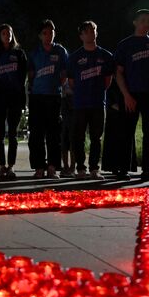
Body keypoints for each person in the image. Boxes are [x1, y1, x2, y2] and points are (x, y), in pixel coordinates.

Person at [115, 9, 149, 180]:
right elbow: (118, 73)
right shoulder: (125, 44)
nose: (147, 24)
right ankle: (123, 169)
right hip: (131, 95)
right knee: (126, 132)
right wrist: (126, 95)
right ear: (135, 22)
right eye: (143, 20)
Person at [66, 21, 113, 180]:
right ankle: (80, 169)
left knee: (96, 138)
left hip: (98, 103)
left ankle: (94, 169)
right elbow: (71, 82)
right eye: (86, 31)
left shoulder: (106, 56)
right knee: (78, 137)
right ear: (81, 36)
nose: (90, 33)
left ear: (96, 32)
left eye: (93, 29)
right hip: (80, 104)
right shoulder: (74, 57)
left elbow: (108, 81)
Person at [27, 19, 68, 179]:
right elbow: (30, 76)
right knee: (36, 134)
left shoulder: (60, 51)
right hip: (37, 98)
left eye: (52, 32)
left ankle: (52, 167)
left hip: (54, 97)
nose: (49, 35)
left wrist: (57, 86)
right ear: (40, 35)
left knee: (54, 134)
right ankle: (39, 167)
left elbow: (64, 74)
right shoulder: (35, 53)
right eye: (45, 32)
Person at [0, 24, 28, 180]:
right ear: (0, 36)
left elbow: (24, 76)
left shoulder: (19, 53)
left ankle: (11, 166)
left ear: (12, 35)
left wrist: (19, 94)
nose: (6, 35)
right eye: (3, 33)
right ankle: (1, 167)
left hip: (15, 98)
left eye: (9, 33)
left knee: (12, 134)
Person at [59, 83, 75, 177]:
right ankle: (65, 166)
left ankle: (72, 167)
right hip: (63, 100)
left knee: (73, 137)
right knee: (64, 138)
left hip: (74, 99)